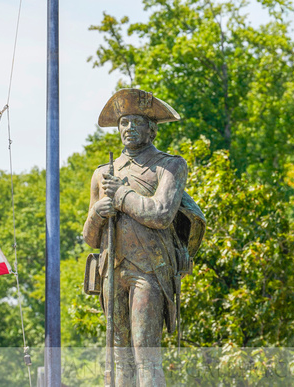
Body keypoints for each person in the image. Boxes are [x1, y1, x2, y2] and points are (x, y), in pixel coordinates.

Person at [83, 89, 205, 387]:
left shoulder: (169, 166)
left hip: (149, 269)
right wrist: (99, 211)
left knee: (145, 355)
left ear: (151, 129)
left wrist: (122, 196)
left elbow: (161, 213)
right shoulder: (103, 173)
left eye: (137, 122)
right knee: (118, 356)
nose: (129, 128)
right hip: (112, 269)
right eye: (124, 122)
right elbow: (89, 237)